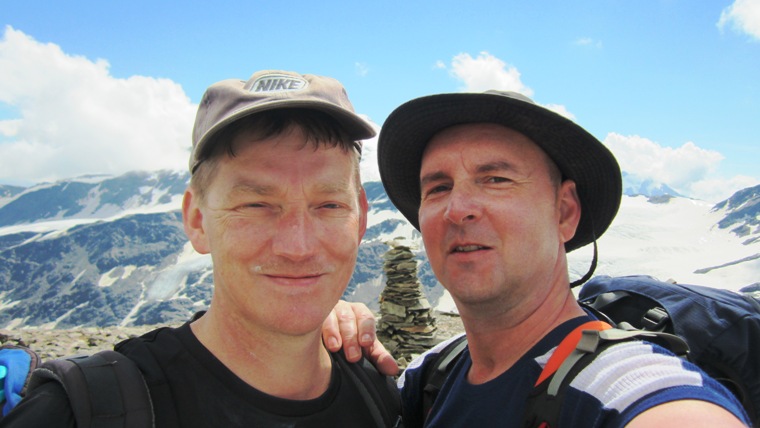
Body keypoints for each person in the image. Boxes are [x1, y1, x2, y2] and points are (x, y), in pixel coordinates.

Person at [324, 90, 751, 427]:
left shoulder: (624, 386)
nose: (458, 208)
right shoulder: (433, 373)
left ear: (564, 212)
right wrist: (311, 332)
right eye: (437, 188)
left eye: (496, 179)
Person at [1, 70, 400, 427]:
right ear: (196, 220)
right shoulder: (81, 409)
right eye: (256, 205)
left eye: (329, 205)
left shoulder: (380, 392)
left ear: (361, 218)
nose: (297, 246)